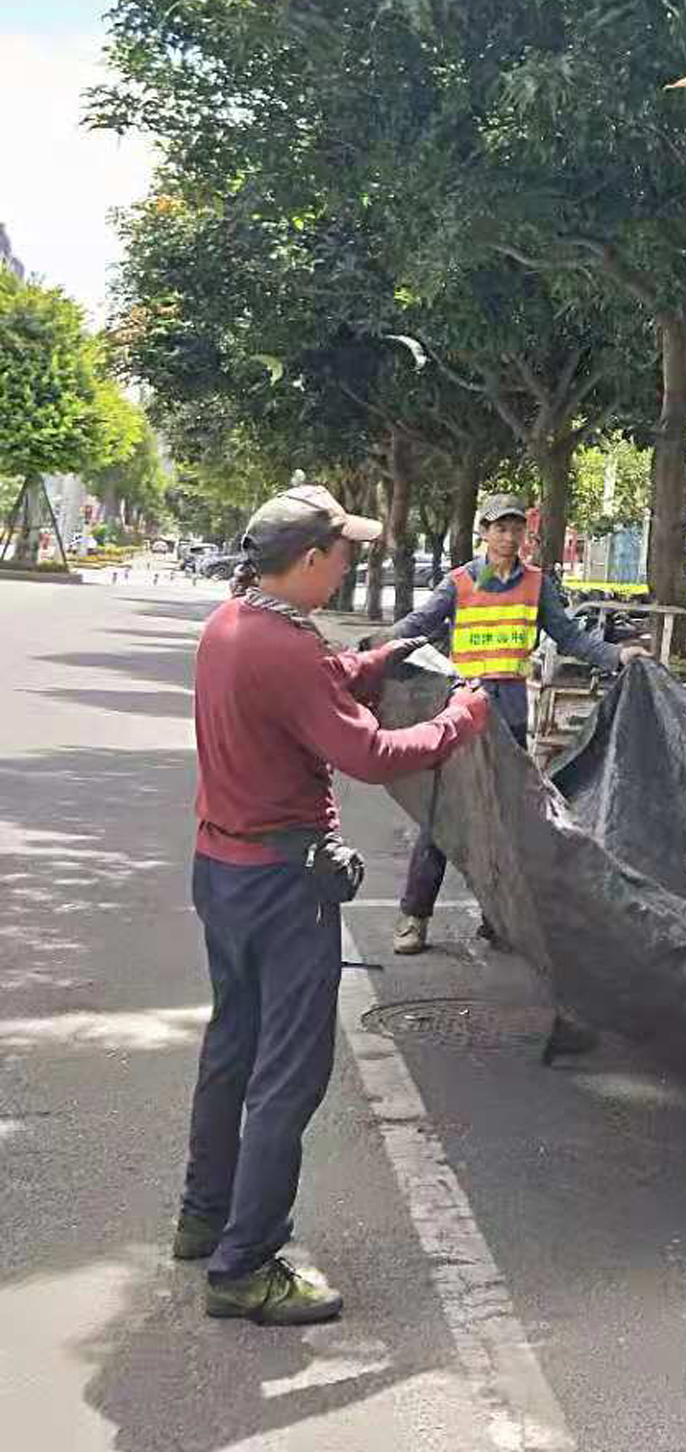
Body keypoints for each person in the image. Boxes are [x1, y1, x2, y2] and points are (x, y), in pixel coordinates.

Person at [178, 483, 493, 1326]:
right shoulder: (281, 647)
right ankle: (246, 1266)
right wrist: (457, 721)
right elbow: (369, 753)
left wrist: (375, 660)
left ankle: (205, 1216)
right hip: (285, 887)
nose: (353, 561)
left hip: (222, 870)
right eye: (344, 551)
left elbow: (311, 690)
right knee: (289, 1074)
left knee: (232, 1048)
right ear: (309, 560)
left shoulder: (235, 626)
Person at [388, 494, 646, 954]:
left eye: (515, 529)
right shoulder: (460, 583)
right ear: (484, 533)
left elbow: (569, 636)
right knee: (444, 812)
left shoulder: (536, 584)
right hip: (462, 705)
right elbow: (416, 626)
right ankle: (414, 917)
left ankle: (498, 918)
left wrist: (616, 656)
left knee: (505, 814)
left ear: (525, 534)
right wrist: (374, 654)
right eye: (499, 528)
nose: (509, 537)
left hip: (509, 708)